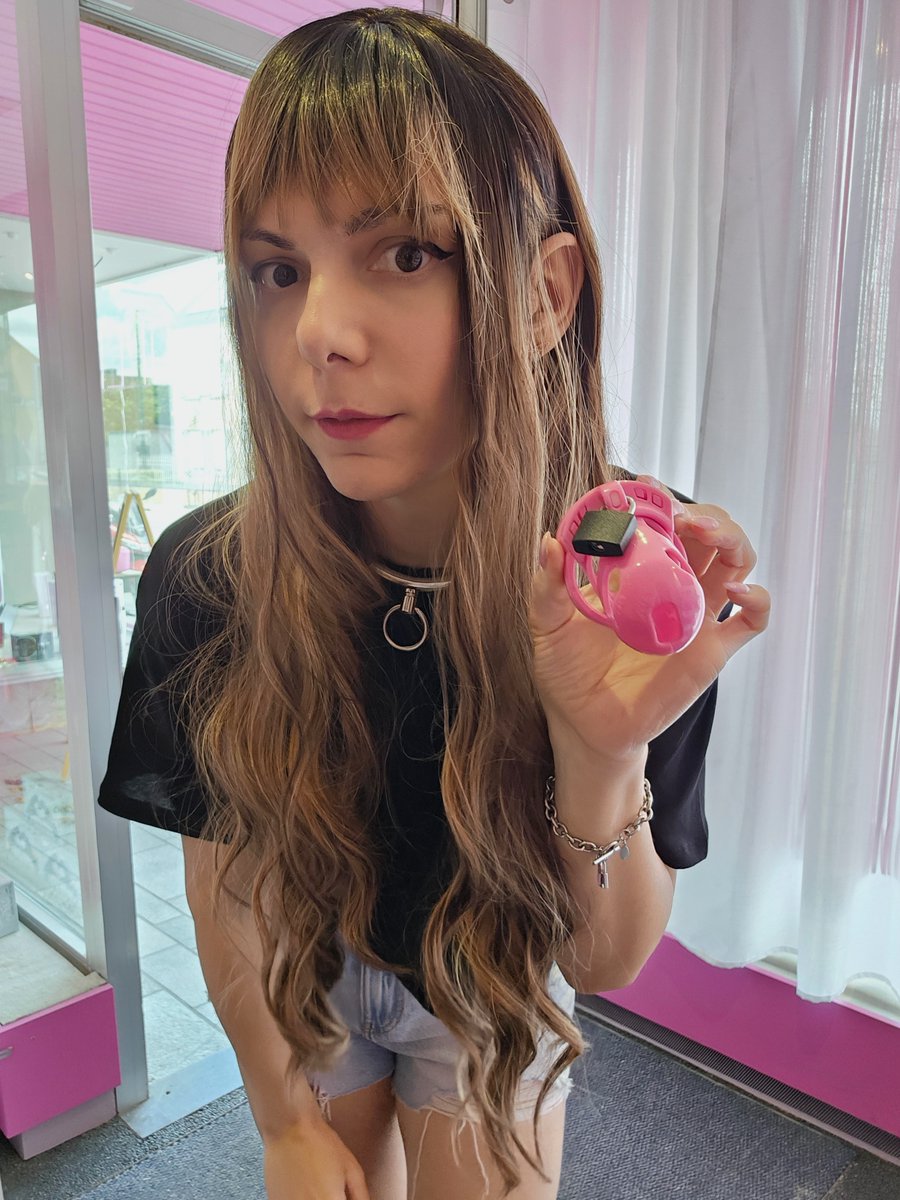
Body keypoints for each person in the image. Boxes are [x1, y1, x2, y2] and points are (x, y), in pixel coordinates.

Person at [97, 8, 770, 1199]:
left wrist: (599, 750)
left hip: (498, 974)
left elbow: (604, 959)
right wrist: (279, 1118)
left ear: (545, 292)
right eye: (278, 271)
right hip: (302, 964)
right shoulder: (211, 573)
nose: (319, 334)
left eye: (405, 253)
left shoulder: (622, 567)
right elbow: (225, 878)